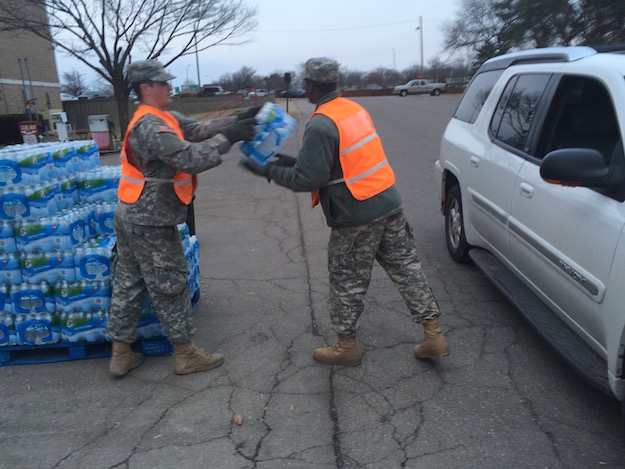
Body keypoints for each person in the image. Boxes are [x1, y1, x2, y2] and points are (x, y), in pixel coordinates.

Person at [241, 57, 450, 366]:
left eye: (306, 83)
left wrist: (267, 171)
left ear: (311, 85)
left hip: (357, 213)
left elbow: (308, 179)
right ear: (335, 83)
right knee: (406, 268)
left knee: (346, 279)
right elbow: (335, 161)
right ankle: (434, 335)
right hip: (388, 201)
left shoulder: (321, 123)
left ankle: (346, 346)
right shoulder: (354, 110)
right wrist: (286, 161)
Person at [106, 59, 258, 377]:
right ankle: (186, 354)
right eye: (162, 83)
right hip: (150, 219)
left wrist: (238, 119)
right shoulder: (150, 125)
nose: (168, 87)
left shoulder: (163, 116)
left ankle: (121, 353)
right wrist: (230, 137)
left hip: (132, 213)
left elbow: (198, 130)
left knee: (129, 280)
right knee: (170, 284)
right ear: (146, 88)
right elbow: (189, 158)